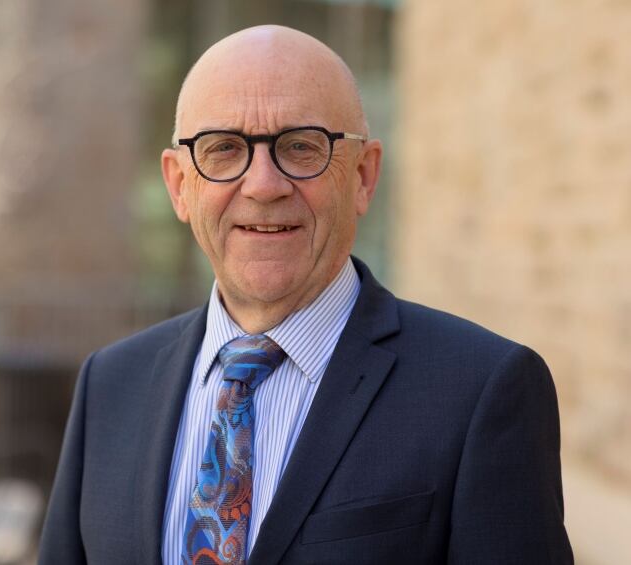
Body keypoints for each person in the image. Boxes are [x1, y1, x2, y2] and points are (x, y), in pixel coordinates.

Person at [38, 25, 573, 565]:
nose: (264, 184)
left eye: (300, 146)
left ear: (363, 176)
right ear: (179, 186)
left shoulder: (481, 389)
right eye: (223, 148)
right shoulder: (108, 385)